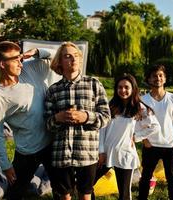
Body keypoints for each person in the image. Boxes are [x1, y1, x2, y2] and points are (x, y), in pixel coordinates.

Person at [0, 41, 59, 200]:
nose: (20, 63)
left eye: (20, 58)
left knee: (61, 187)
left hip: (51, 142)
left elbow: (56, 56)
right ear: (2, 64)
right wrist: (5, 165)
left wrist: (36, 52)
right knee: (15, 193)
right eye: (14, 60)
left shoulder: (29, 68)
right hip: (28, 151)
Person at [44, 42, 111, 200]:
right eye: (67, 56)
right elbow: (46, 124)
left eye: (76, 56)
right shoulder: (53, 90)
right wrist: (57, 118)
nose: (72, 59)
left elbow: (106, 116)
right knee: (64, 196)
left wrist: (86, 117)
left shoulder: (94, 84)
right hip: (61, 154)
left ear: (80, 60)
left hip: (86, 153)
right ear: (60, 61)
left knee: (85, 195)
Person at [92, 74, 161, 200]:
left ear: (133, 89)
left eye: (126, 87)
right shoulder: (110, 106)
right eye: (120, 87)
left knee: (124, 195)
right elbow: (101, 130)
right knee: (87, 185)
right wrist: (101, 151)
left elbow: (155, 126)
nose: (123, 90)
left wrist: (136, 137)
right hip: (106, 153)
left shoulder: (139, 108)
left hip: (125, 155)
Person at [138, 64, 173, 200]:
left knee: (172, 179)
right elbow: (138, 123)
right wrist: (145, 141)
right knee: (145, 177)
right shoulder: (143, 100)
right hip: (150, 145)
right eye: (154, 76)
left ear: (164, 79)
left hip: (170, 145)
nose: (157, 78)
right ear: (149, 79)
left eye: (160, 75)